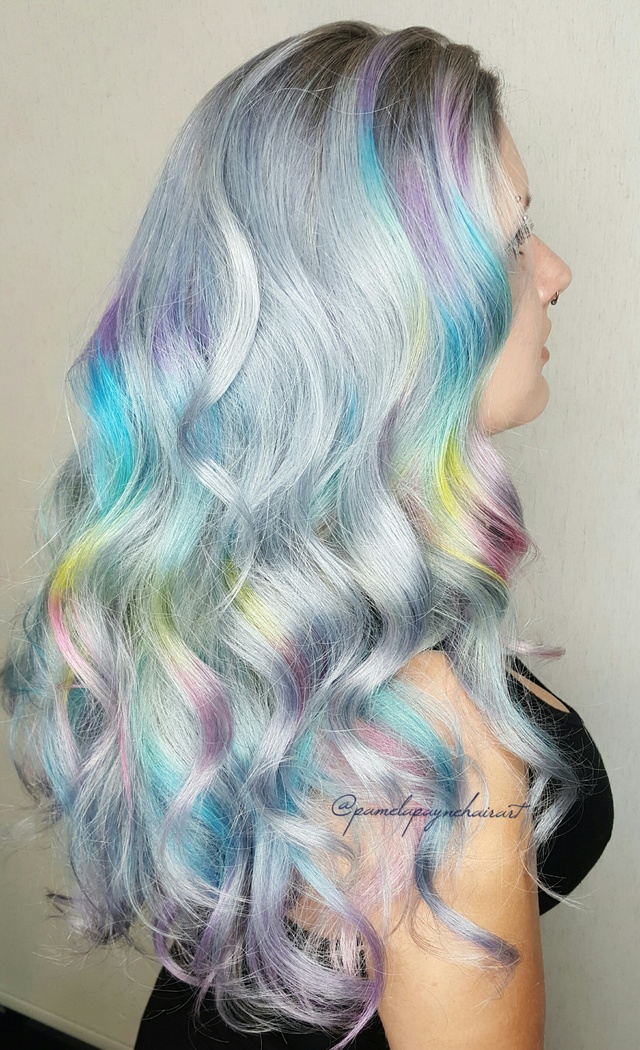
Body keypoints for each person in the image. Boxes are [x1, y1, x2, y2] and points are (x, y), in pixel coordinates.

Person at [1, 20, 613, 1050]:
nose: (553, 272)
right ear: (380, 311)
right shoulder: (433, 757)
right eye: (511, 242)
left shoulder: (242, 597)